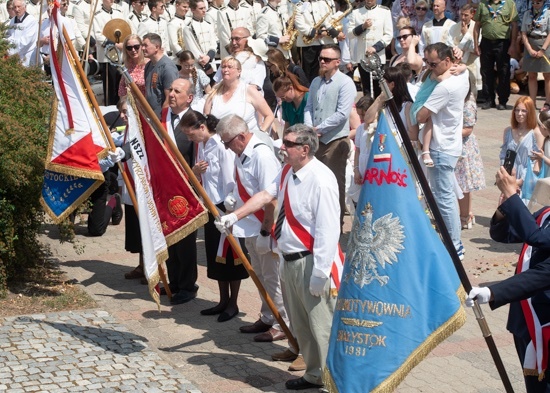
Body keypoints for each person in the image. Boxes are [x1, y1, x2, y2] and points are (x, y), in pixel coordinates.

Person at [215, 124, 340, 391]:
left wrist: (321, 272)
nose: (282, 147)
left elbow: (329, 229)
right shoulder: (287, 171)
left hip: (311, 261)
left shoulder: (322, 178)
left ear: (305, 149)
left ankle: (335, 382)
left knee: (322, 326)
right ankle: (314, 375)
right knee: (301, 324)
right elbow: (264, 195)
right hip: (289, 258)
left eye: (288, 143)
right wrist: (234, 216)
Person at [466, 166, 550, 393]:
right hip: (525, 319)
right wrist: (505, 208)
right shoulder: (547, 213)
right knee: (533, 386)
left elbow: (538, 244)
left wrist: (491, 292)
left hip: (545, 324)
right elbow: (506, 233)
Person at [216, 115, 289, 336]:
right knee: (259, 276)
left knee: (272, 278)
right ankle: (267, 316)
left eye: (227, 142)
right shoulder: (241, 154)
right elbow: (247, 188)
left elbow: (271, 198)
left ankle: (281, 323)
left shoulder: (261, 155)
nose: (226, 147)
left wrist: (267, 231)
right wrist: (233, 198)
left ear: (240, 136)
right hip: (248, 225)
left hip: (263, 226)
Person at [179, 110, 244, 321]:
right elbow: (200, 178)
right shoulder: (202, 145)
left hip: (224, 206)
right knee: (216, 257)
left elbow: (229, 179)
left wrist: (230, 211)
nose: (190, 139)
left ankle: (233, 302)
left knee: (230, 257)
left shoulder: (221, 146)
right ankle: (222, 299)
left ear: (202, 127)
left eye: (191, 135)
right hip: (209, 204)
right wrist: (195, 171)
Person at [416, 42, 469, 260]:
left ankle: (454, 244)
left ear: (448, 62)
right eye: (427, 62)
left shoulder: (445, 88)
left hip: (440, 147)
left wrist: (416, 108)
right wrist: (462, 65)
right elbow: (464, 68)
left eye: (434, 64)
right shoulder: (461, 76)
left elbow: (420, 116)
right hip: (449, 145)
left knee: (444, 198)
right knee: (444, 196)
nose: (430, 67)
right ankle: (452, 241)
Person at [304, 44, 356, 229]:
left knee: (335, 183)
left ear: (337, 62)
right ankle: (317, 220)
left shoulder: (345, 82)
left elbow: (342, 114)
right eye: (320, 58)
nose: (322, 62)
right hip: (316, 139)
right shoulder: (316, 82)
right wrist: (310, 128)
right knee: (315, 181)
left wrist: (319, 128)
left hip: (335, 140)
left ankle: (336, 222)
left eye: (326, 59)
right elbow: (309, 107)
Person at [161, 78, 200, 305]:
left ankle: (187, 285)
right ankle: (173, 280)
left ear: (189, 97)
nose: (172, 94)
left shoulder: (194, 121)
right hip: (165, 185)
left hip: (186, 187)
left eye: (178, 91)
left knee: (185, 239)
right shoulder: (162, 116)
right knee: (169, 236)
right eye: (171, 90)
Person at [203, 56, 275, 148]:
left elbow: (269, 115)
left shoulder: (249, 90)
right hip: (220, 145)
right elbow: (206, 118)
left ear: (239, 71)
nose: (225, 70)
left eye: (229, 67)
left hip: (245, 145)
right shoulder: (214, 92)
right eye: (223, 67)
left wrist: (260, 133)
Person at [474, 0, 519, 110]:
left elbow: (514, 25)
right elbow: (477, 25)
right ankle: (489, 100)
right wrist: (476, 45)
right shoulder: (483, 4)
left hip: (503, 43)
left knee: (504, 71)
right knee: (486, 71)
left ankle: (503, 100)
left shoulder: (509, 4)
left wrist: (513, 44)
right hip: (486, 42)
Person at [455, 83, 486, 230]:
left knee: (463, 183)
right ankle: (464, 214)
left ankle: (465, 216)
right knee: (457, 182)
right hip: (454, 143)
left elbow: (468, 128)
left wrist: (446, 132)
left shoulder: (468, 102)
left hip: (463, 145)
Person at [348, 0, 393, 96]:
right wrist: (362, 27)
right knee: (366, 89)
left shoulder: (384, 12)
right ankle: (367, 110)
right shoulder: (356, 13)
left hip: (378, 57)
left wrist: (375, 48)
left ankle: (379, 110)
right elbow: (349, 34)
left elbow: (388, 35)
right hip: (362, 58)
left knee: (378, 88)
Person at [499, 97, 544, 190]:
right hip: (509, 179)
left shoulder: (536, 133)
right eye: (517, 110)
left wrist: (521, 180)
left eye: (524, 111)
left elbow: (536, 161)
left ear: (530, 112)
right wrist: (505, 174)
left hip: (528, 180)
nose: (519, 114)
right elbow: (504, 155)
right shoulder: (508, 131)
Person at [294, 0, 339, 83]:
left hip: (321, 42)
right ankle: (308, 92)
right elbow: (299, 24)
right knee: (307, 72)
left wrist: (325, 30)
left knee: (320, 70)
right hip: (307, 43)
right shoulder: (299, 5)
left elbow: (326, 20)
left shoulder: (322, 3)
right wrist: (315, 32)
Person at [92, 0, 124, 105]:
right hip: (107, 56)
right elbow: (98, 36)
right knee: (110, 86)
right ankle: (110, 108)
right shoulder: (97, 15)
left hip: (120, 55)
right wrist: (114, 44)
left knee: (120, 84)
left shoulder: (119, 13)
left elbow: (125, 29)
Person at [142, 32, 179, 119]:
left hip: (162, 117)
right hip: (151, 115)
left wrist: (162, 119)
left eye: (145, 45)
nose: (142, 48)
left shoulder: (167, 68)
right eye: (142, 45)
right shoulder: (148, 65)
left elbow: (170, 97)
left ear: (157, 47)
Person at [521, 0, 550, 108]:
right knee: (532, 75)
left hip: (544, 43)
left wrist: (543, 50)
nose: (535, 5)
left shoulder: (548, 13)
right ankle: (532, 102)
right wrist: (529, 48)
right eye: (533, 2)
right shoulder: (527, 14)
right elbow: (523, 32)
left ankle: (548, 102)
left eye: (538, 2)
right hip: (530, 43)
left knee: (548, 75)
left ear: (543, 2)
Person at [182, 0, 217, 79]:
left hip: (212, 62)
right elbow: (192, 49)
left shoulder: (208, 24)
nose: (204, 10)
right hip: (199, 66)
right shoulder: (188, 28)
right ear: (193, 10)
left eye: (204, 8)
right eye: (201, 8)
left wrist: (209, 57)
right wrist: (206, 65)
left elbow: (213, 44)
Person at [6, 0, 38, 67]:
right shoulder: (12, 21)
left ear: (24, 7)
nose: (17, 9)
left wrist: (11, 50)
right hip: (14, 58)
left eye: (19, 6)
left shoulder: (31, 21)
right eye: (15, 7)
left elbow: (25, 42)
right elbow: (7, 36)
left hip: (27, 58)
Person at [118, 34, 148, 100]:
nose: (133, 50)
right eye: (129, 48)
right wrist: (123, 103)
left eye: (136, 47)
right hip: (131, 105)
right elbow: (122, 86)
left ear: (141, 47)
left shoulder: (149, 64)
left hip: (147, 104)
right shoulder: (127, 64)